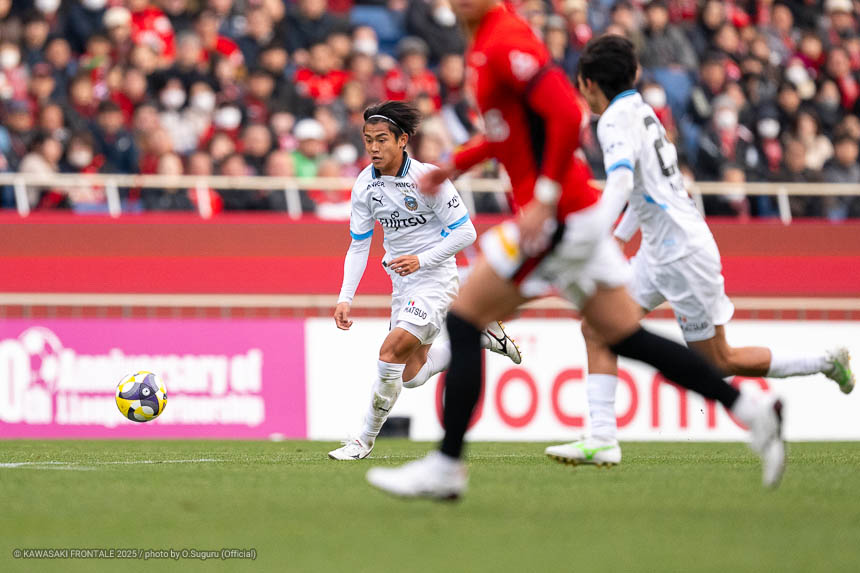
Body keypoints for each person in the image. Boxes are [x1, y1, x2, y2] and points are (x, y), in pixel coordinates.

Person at [365, 8, 786, 500]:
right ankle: (753, 412)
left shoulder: (506, 38)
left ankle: (446, 465)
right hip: (575, 214)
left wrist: (545, 197)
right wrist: (457, 163)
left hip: (559, 218)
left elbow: (566, 113)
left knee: (464, 319)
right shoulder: (482, 42)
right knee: (625, 336)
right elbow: (509, 131)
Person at [544, 35, 855, 468]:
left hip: (683, 255)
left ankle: (824, 361)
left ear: (588, 83)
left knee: (719, 361)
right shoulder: (642, 111)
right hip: (660, 250)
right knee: (597, 326)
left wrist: (592, 234)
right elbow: (644, 189)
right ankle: (601, 438)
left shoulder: (612, 120)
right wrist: (617, 236)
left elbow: (621, 183)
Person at [327, 101, 521, 461]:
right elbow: (359, 244)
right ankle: (483, 336)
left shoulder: (428, 178)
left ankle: (363, 440)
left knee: (389, 352)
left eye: (381, 139)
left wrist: (422, 259)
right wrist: (345, 297)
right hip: (402, 284)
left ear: (402, 140)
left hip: (436, 279)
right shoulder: (364, 185)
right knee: (410, 375)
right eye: (368, 140)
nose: (373, 147)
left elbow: (466, 232)